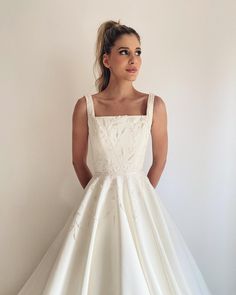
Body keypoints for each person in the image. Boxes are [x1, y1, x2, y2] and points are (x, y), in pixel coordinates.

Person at [18, 20, 212, 295]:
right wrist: (100, 198)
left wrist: (137, 196)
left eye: (138, 52)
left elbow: (160, 160)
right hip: (98, 201)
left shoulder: (154, 105)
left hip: (140, 199)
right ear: (106, 59)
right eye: (124, 52)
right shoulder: (86, 106)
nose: (133, 60)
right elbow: (78, 160)